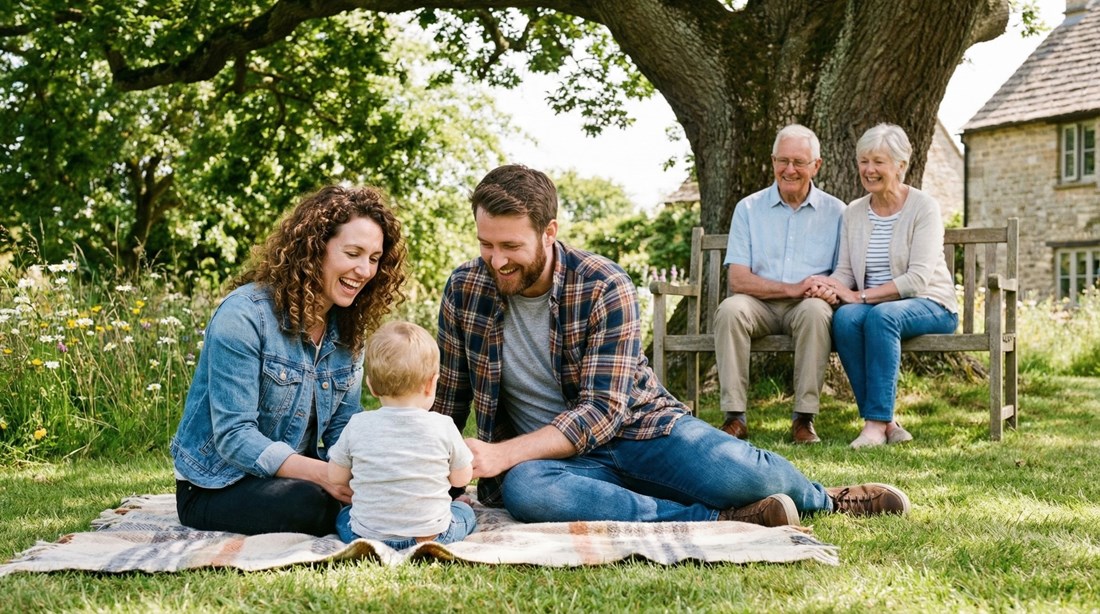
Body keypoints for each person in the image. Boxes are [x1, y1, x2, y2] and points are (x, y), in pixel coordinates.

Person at [433, 163, 911, 530]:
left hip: (641, 432)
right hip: (548, 463)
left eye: (511, 246)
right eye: (486, 245)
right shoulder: (464, 290)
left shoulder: (602, 285)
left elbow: (603, 411)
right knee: (529, 494)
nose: (497, 261)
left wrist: (501, 453)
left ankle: (822, 498)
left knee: (747, 476)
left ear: (549, 232)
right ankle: (720, 521)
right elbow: (448, 402)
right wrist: (429, 476)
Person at [170, 185, 407, 536]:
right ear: (315, 250)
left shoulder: (348, 332)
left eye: (373, 259)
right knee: (310, 504)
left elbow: (343, 431)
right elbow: (235, 436)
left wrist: (375, 473)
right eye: (353, 253)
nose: (364, 270)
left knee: (391, 484)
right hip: (216, 484)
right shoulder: (244, 315)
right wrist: (326, 476)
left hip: (301, 477)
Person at [808, 123, 959, 448]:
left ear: (901, 166)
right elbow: (845, 272)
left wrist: (858, 296)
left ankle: (874, 425)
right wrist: (828, 286)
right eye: (864, 161)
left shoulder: (924, 208)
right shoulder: (853, 212)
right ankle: (887, 423)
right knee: (846, 318)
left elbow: (917, 279)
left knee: (881, 316)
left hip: (931, 304)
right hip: (876, 307)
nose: (869, 169)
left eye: (878, 161)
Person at [713, 124, 847, 443]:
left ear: (817, 165)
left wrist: (829, 288)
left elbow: (845, 273)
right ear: (773, 161)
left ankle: (804, 419)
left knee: (817, 312)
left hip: (807, 306)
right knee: (730, 310)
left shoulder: (838, 211)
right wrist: (792, 288)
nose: (789, 169)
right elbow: (737, 279)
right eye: (782, 160)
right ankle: (735, 417)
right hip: (757, 304)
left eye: (799, 162)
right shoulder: (748, 208)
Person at [328, 321, 476, 549]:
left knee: (344, 516)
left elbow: (336, 477)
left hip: (365, 537)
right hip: (432, 536)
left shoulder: (358, 424)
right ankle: (457, 511)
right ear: (431, 384)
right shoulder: (443, 425)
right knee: (463, 511)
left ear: (372, 386)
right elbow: (461, 478)